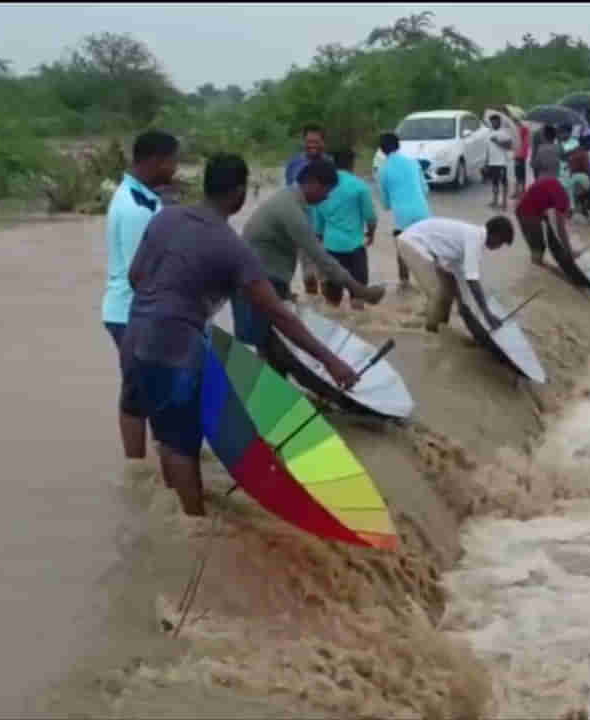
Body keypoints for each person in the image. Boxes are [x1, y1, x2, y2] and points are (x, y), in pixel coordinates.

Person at [121, 154, 362, 516]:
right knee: (181, 445)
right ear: (238, 194)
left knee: (155, 424)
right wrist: (332, 361)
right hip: (175, 351)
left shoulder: (165, 218)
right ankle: (192, 524)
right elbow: (279, 315)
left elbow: (135, 277)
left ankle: (156, 504)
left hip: (134, 335)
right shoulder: (233, 248)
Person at [233, 159, 386, 361]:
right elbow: (319, 256)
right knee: (270, 348)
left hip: (264, 278)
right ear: (313, 182)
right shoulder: (290, 210)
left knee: (273, 347)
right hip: (258, 282)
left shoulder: (294, 202)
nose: (327, 197)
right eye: (326, 190)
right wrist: (359, 290)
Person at [102, 129, 179, 461]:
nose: (175, 168)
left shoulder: (145, 197)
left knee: (149, 387)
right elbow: (142, 274)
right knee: (137, 393)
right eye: (173, 161)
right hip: (133, 312)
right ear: (156, 161)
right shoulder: (135, 208)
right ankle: (136, 467)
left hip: (135, 311)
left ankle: (154, 457)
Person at [395, 216, 514, 333]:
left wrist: (464, 306)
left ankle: (441, 326)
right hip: (412, 242)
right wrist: (487, 313)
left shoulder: (472, 239)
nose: (499, 247)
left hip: (425, 248)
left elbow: (460, 277)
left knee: (449, 287)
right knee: (437, 292)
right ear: (494, 235)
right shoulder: (475, 238)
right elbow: (472, 280)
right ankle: (431, 332)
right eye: (501, 242)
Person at [313, 149, 377, 310]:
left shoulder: (324, 186)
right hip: (354, 248)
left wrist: (320, 242)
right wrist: (371, 234)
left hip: (331, 248)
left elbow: (318, 223)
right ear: (352, 164)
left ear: (333, 163)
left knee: (332, 302)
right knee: (358, 299)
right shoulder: (359, 186)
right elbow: (371, 217)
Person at [283, 123, 335, 296]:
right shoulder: (293, 164)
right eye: (308, 141)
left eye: (316, 141)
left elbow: (337, 195)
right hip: (302, 226)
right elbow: (289, 194)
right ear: (303, 142)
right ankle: (314, 310)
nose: (312, 145)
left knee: (328, 277)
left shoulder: (330, 163)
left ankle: (330, 313)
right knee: (309, 275)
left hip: (327, 229)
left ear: (323, 143)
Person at [376, 131, 431, 291]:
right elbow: (425, 190)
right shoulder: (413, 163)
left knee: (402, 253)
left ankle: (405, 284)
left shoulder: (383, 171)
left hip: (402, 219)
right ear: (398, 145)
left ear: (382, 150)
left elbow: (385, 204)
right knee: (427, 252)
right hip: (424, 214)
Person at [515, 172, 582, 266]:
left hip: (522, 208)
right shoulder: (563, 199)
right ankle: (536, 273)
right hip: (527, 213)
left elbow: (541, 196)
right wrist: (570, 251)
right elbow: (561, 230)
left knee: (536, 246)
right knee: (538, 247)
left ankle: (535, 267)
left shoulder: (557, 182)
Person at [486, 114, 513, 210]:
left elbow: (510, 146)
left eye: (495, 121)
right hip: (492, 162)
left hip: (502, 163)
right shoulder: (489, 133)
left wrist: (497, 142)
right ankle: (495, 201)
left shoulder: (504, 133)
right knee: (494, 183)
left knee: (504, 183)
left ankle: (504, 203)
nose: (493, 123)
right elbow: (488, 149)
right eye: (492, 121)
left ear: (499, 122)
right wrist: (486, 162)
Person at [511, 113, 531, 199]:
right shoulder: (516, 129)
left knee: (521, 173)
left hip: (521, 154)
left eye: (515, 121)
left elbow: (526, 143)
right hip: (517, 154)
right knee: (517, 173)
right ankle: (519, 191)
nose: (514, 123)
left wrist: (522, 153)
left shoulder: (524, 129)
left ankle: (521, 191)